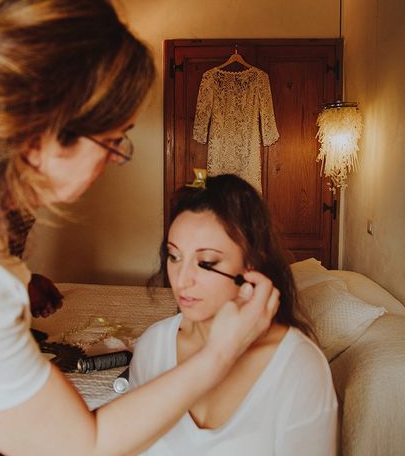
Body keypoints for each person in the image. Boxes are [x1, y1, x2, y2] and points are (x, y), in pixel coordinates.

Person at [0, 0, 279, 455]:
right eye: (114, 140)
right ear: (45, 134)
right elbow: (79, 446)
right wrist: (221, 353)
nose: (115, 159)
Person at [130, 174, 338, 455]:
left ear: (251, 262)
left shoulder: (298, 367)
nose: (182, 280)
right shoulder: (152, 347)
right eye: (174, 256)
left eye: (206, 262)